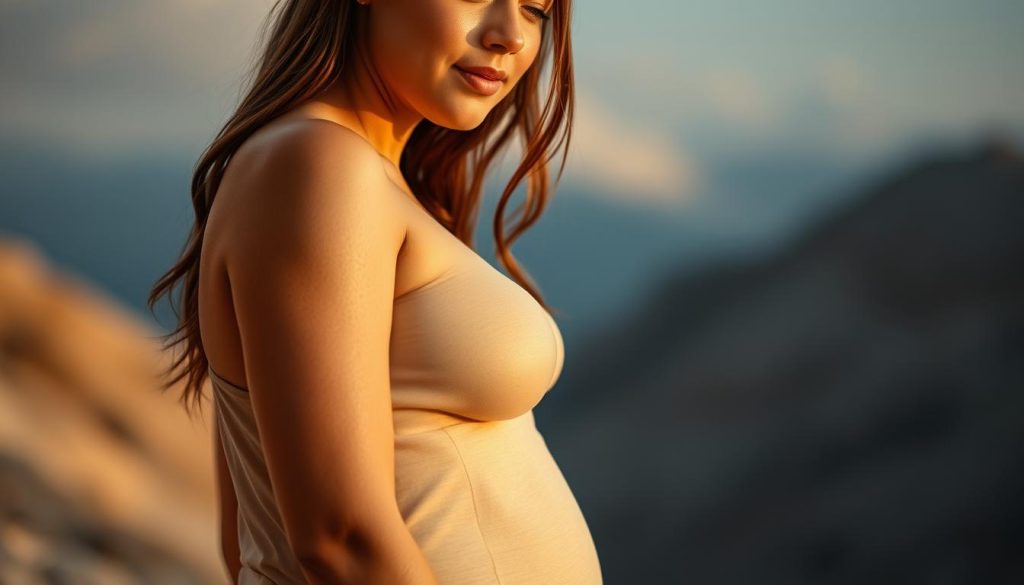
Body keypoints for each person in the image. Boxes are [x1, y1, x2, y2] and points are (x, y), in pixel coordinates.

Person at [148, 0, 601, 583]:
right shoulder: (316, 167)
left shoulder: (366, 180)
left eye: (536, 9)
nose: (509, 35)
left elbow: (249, 531)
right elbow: (340, 538)